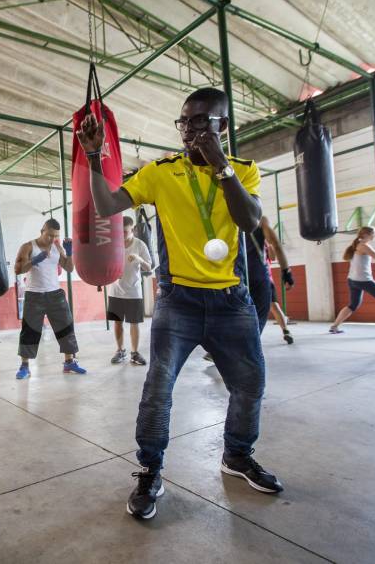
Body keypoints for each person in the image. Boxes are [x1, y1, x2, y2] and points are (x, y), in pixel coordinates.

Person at [78, 86, 283, 521]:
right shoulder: (160, 172)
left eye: (201, 121)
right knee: (158, 389)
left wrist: (222, 167)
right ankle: (150, 471)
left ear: (222, 127)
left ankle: (237, 455)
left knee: (250, 384)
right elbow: (108, 203)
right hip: (178, 302)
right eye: (185, 122)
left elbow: (248, 221)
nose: (190, 130)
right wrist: (95, 157)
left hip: (232, 300)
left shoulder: (245, 171)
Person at [13, 218, 86, 380]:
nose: (52, 239)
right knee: (29, 331)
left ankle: (69, 362)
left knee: (66, 327)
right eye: (50, 235)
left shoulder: (57, 247)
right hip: (34, 294)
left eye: (56, 236)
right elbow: (18, 269)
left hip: (55, 293)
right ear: (42, 231)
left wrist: (69, 253)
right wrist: (34, 260)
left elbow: (68, 268)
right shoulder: (28, 247)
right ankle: (25, 366)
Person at [107, 215, 152, 365]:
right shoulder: (113, 244)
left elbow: (149, 267)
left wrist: (139, 259)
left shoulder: (140, 245)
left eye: (125, 231)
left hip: (133, 291)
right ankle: (120, 351)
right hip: (115, 290)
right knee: (117, 322)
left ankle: (135, 353)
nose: (122, 234)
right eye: (119, 231)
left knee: (134, 323)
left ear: (132, 229)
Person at [245, 215, 295, 343]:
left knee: (236, 312)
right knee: (262, 314)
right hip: (258, 275)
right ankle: (247, 349)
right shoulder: (260, 219)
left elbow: (272, 255)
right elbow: (276, 245)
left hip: (237, 274)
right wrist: (286, 272)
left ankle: (222, 346)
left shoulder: (230, 219)